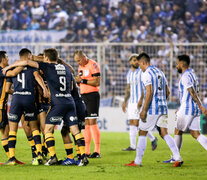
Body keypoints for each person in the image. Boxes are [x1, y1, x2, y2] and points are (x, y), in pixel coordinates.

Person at [5, 48, 88, 166]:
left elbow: (27, 62)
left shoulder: (47, 66)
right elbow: (71, 88)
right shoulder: (66, 68)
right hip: (70, 102)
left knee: (47, 130)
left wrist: (9, 67)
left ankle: (52, 157)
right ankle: (83, 157)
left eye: (44, 57)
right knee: (75, 130)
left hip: (57, 103)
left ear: (47, 58)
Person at [125, 52, 183, 167]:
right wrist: (161, 101)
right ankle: (177, 157)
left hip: (152, 108)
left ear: (143, 62)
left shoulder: (146, 74)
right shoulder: (160, 72)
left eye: (140, 64)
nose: (140, 67)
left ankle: (137, 161)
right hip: (163, 107)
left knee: (142, 132)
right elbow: (167, 92)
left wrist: (144, 110)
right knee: (164, 133)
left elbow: (149, 92)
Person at [4, 48, 49, 165]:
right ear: (29, 56)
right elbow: (38, 78)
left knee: (12, 130)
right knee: (34, 128)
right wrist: (44, 89)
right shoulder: (33, 68)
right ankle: (39, 154)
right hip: (29, 98)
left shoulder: (12, 68)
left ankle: (11, 158)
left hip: (16, 99)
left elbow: (7, 89)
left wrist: (18, 92)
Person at [163, 55, 207, 163]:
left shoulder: (185, 76)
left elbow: (192, 92)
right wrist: (182, 106)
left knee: (177, 131)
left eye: (177, 63)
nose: (176, 65)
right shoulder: (193, 74)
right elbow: (189, 94)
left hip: (188, 108)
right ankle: (175, 157)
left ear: (182, 64)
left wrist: (201, 106)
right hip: (192, 108)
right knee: (195, 134)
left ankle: (176, 157)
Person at [122, 54, 158, 151]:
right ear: (130, 62)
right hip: (131, 102)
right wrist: (125, 101)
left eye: (137, 60)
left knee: (138, 123)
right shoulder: (129, 73)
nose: (136, 62)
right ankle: (132, 146)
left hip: (139, 101)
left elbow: (144, 88)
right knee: (132, 123)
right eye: (134, 60)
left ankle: (153, 138)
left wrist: (141, 99)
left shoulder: (141, 72)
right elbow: (128, 89)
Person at [0, 51, 26, 164]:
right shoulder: (1, 71)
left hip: (3, 106)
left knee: (5, 131)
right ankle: (11, 158)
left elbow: (7, 89)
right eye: (6, 57)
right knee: (4, 131)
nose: (8, 58)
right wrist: (24, 63)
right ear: (2, 59)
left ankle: (11, 158)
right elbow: (13, 73)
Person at [74, 50, 101, 158]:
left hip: (92, 95)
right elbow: (81, 81)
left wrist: (82, 81)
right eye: (76, 61)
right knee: (86, 124)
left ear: (84, 57)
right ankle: (87, 151)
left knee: (92, 122)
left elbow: (97, 82)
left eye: (79, 60)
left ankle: (97, 151)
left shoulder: (93, 65)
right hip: (83, 95)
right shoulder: (80, 67)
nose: (78, 63)